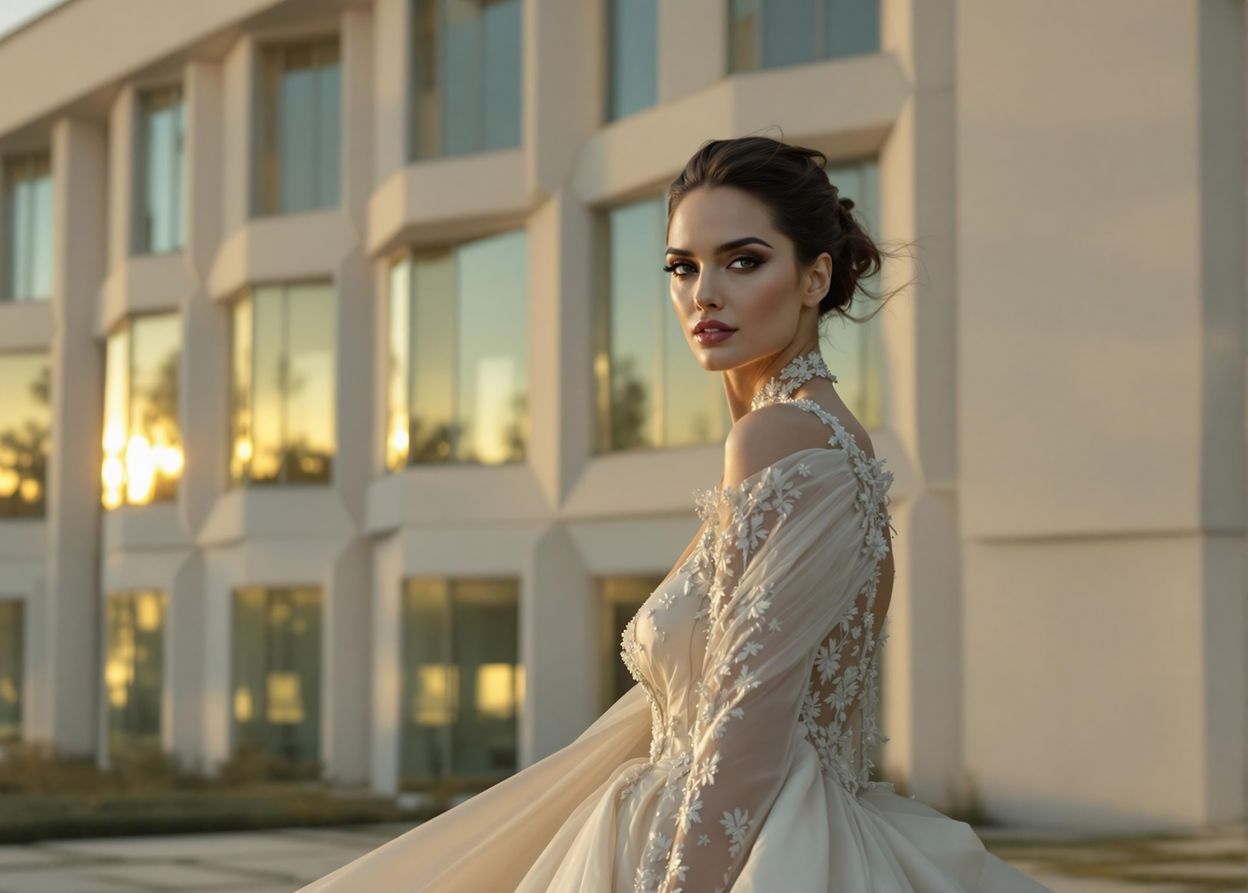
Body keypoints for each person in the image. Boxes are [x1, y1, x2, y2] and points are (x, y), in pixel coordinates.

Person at [298, 136, 1052, 892]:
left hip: (733, 854)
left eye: (744, 260)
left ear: (814, 277)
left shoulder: (780, 440)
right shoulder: (837, 448)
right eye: (682, 267)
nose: (704, 293)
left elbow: (745, 727)